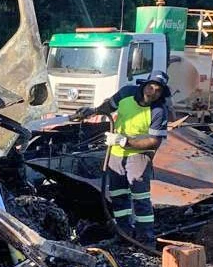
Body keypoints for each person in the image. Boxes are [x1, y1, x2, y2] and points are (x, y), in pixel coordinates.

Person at [71, 70, 170, 244]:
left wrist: (125, 140)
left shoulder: (159, 110)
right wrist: (92, 111)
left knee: (140, 198)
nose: (153, 92)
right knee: (118, 195)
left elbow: (154, 141)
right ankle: (124, 232)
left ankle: (145, 239)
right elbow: (108, 107)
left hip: (138, 156)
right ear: (145, 85)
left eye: (158, 90)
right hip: (116, 154)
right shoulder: (126, 93)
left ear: (162, 93)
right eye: (151, 86)